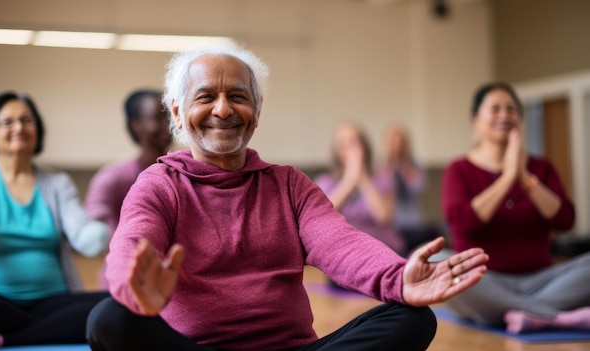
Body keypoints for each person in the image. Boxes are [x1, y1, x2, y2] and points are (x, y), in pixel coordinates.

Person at [85, 44, 489, 351]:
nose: (223, 109)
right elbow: (132, 242)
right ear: (178, 112)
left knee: (413, 320)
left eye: (239, 97)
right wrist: (131, 288)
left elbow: (340, 243)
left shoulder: (289, 184)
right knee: (108, 319)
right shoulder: (159, 183)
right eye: (206, 96)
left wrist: (398, 278)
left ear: (257, 111)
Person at [0, 92, 111, 350]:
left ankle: (5, 338)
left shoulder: (57, 183)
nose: (19, 127)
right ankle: (52, 328)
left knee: (114, 303)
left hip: (54, 301)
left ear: (38, 132)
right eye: (7, 122)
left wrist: (94, 235)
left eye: (26, 120)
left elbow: (79, 228)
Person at [442, 81, 590, 334]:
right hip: (483, 281)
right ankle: (551, 315)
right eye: (495, 108)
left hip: (542, 280)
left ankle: (519, 313)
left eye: (511, 109)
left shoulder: (540, 168)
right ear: (476, 120)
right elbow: (463, 223)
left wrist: (524, 177)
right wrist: (508, 177)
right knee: (437, 261)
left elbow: (565, 220)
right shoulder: (459, 170)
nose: (505, 115)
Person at [85, 89, 173, 290]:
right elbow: (93, 227)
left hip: (172, 288)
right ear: (135, 125)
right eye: (158, 118)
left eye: (169, 116)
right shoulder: (112, 178)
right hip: (123, 285)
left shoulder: (183, 175)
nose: (168, 125)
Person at [315, 122, 406, 256]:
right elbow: (324, 217)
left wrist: (363, 179)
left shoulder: (384, 178)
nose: (349, 148)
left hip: (384, 248)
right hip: (344, 252)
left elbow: (384, 217)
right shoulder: (326, 181)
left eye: (354, 142)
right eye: (343, 144)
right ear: (336, 151)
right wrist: (349, 180)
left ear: (364, 147)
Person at [376, 124, 442, 254]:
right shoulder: (377, 167)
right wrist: (389, 163)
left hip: (412, 223)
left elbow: (418, 187)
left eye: (400, 142)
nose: (397, 146)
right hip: (388, 226)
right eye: (393, 142)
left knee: (436, 232)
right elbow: (380, 189)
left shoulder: (415, 166)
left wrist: (403, 163)